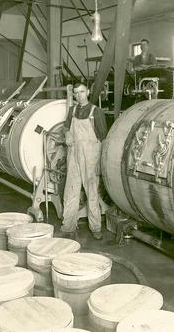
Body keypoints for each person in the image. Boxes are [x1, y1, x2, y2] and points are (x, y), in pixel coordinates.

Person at [61, 83, 107, 240]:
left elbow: (103, 138)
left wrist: (99, 163)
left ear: (87, 92)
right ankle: (68, 225)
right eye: (76, 93)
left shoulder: (96, 112)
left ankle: (96, 228)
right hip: (73, 154)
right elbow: (66, 126)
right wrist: (67, 133)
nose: (79, 95)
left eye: (81, 92)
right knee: (71, 189)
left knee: (92, 192)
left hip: (90, 156)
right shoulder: (72, 111)